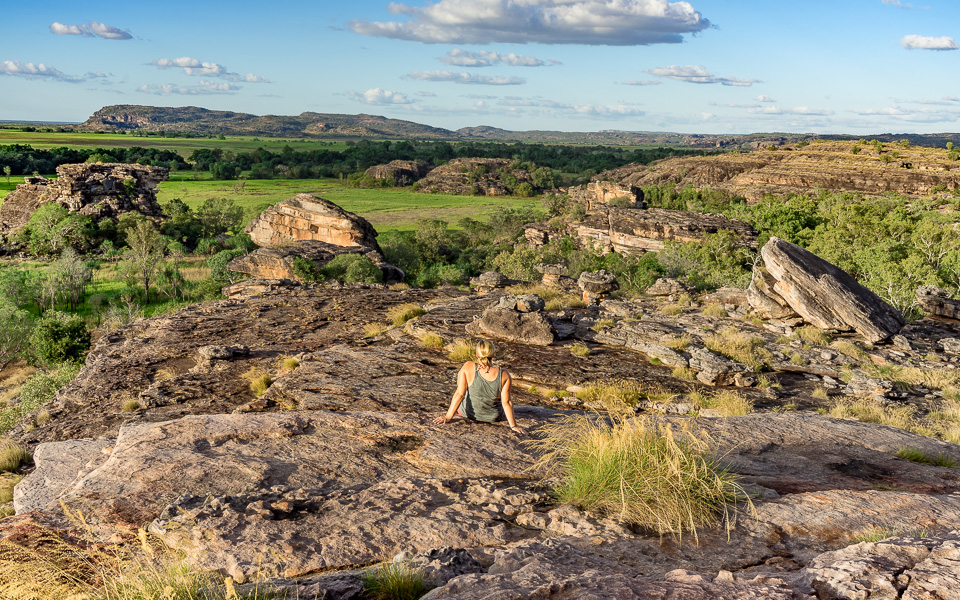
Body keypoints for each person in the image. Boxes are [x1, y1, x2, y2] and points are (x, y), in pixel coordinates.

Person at [434, 340, 528, 435]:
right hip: (493, 417)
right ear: (493, 355)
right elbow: (506, 402)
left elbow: (460, 393)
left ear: (477, 355)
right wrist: (513, 426)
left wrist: (448, 417)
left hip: (468, 414)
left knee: (463, 401)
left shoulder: (468, 367)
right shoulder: (504, 374)